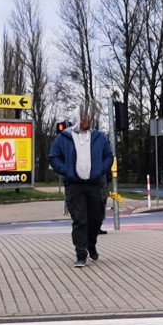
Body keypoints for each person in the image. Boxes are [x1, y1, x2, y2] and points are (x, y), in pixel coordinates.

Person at [48, 101, 114, 267]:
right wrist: (66, 170)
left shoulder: (98, 137)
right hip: (74, 185)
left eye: (90, 118)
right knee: (80, 219)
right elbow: (53, 157)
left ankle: (91, 244)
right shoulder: (64, 137)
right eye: (85, 118)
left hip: (95, 184)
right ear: (77, 118)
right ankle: (81, 253)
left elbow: (108, 156)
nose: (88, 121)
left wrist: (100, 169)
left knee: (96, 218)